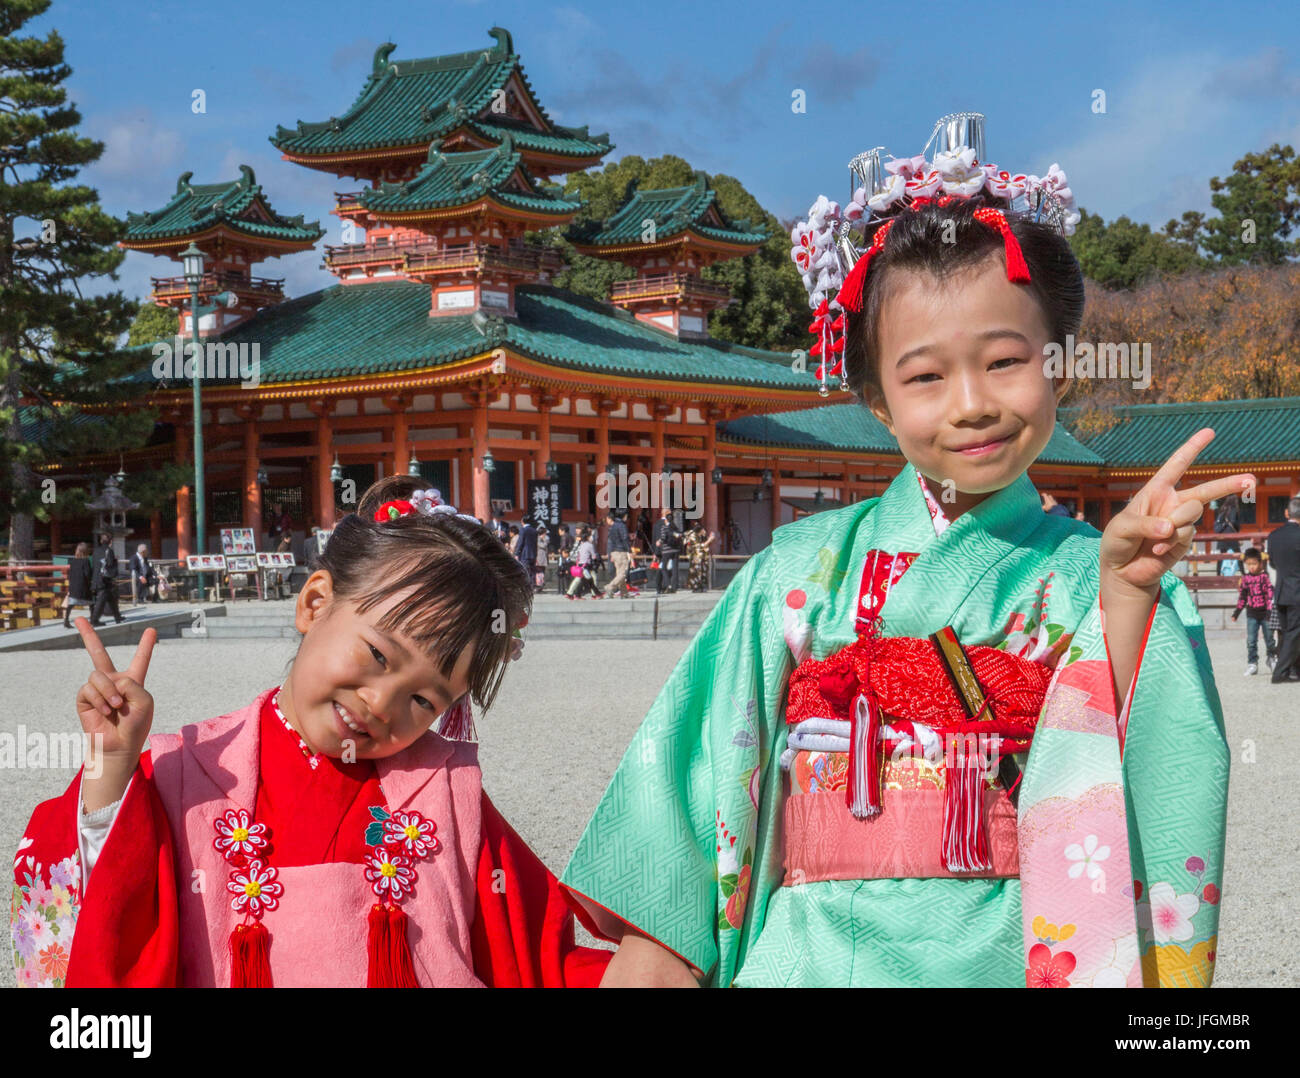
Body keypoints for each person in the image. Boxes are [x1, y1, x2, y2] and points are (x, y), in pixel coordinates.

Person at [561, 126, 1242, 988]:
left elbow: (1165, 770)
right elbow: (698, 789)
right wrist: (659, 951)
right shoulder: (796, 574)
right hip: (807, 956)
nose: (972, 405)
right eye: (924, 378)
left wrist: (1128, 601)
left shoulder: (1098, 574)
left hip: (1010, 950)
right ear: (876, 403)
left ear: (1059, 368)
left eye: (1004, 361)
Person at [10, 476, 611, 987]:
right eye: (378, 655)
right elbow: (101, 931)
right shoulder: (181, 774)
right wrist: (110, 771)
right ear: (316, 602)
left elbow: (540, 955)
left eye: (424, 699)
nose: (381, 704)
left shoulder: (446, 793)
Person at [1267, 496, 1300, 684]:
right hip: (1297, 592)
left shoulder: (1274, 535)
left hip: (1280, 591)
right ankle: (1279, 673)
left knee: (1289, 633)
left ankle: (1294, 670)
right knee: (1294, 634)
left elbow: (1271, 562)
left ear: (1287, 513)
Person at [1230, 547, 1276, 676]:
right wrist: (1236, 612)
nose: (1251, 567)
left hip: (1265, 614)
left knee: (1270, 639)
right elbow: (1243, 597)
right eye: (1249, 564)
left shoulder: (1264, 577)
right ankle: (1252, 663)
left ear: (1260, 563)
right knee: (1251, 640)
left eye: (1254, 564)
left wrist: (1269, 611)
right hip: (1252, 614)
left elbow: (1270, 595)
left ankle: (1272, 659)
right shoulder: (1245, 579)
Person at [89, 532, 124, 627]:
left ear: (101, 541)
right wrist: (115, 561)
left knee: (111, 598)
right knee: (101, 600)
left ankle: (117, 616)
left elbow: (95, 564)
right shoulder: (109, 551)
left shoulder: (95, 551)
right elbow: (110, 565)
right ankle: (94, 620)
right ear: (110, 541)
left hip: (96, 577)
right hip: (105, 579)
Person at [61, 542, 94, 629]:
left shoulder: (73, 562)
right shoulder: (86, 561)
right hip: (83, 587)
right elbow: (87, 574)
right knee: (92, 603)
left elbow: (70, 575)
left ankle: (66, 620)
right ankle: (93, 620)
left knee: (71, 604)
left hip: (73, 587)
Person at [565, 526, 601, 600]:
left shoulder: (581, 544)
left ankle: (570, 593)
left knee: (578, 579)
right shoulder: (589, 545)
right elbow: (594, 556)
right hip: (586, 566)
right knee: (592, 579)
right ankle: (595, 594)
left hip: (580, 565)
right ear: (587, 537)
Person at [603, 511, 633, 598]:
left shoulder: (613, 526)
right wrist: (629, 551)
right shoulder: (622, 526)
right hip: (621, 552)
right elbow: (625, 539)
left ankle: (624, 593)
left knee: (619, 573)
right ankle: (610, 586)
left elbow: (611, 541)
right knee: (623, 573)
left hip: (614, 552)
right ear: (625, 516)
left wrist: (611, 553)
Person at [653, 507, 681, 594]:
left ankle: (661, 587)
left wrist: (656, 552)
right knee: (671, 569)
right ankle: (672, 586)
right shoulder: (673, 524)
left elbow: (656, 538)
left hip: (663, 550)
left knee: (662, 569)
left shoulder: (657, 524)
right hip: (673, 550)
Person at [683, 520, 717, 592]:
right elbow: (699, 546)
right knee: (696, 572)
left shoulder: (699, 535)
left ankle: (700, 586)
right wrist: (709, 540)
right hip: (695, 556)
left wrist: (707, 538)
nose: (704, 531)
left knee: (702, 572)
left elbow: (704, 544)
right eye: (702, 530)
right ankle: (695, 587)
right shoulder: (692, 536)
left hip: (701, 556)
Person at [1213, 494, 1241, 577]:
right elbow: (1233, 522)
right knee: (1238, 554)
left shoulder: (1222, 509)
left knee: (1222, 555)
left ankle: (1218, 574)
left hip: (1222, 536)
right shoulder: (1233, 509)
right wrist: (1237, 528)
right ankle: (1243, 573)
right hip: (1231, 535)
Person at [517, 516, 538, 593]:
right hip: (533, 554)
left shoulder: (523, 530)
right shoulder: (534, 530)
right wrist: (536, 554)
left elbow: (520, 542)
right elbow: (535, 544)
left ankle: (525, 588)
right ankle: (532, 587)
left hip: (524, 554)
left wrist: (517, 552)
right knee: (532, 571)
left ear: (523, 521)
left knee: (525, 571)